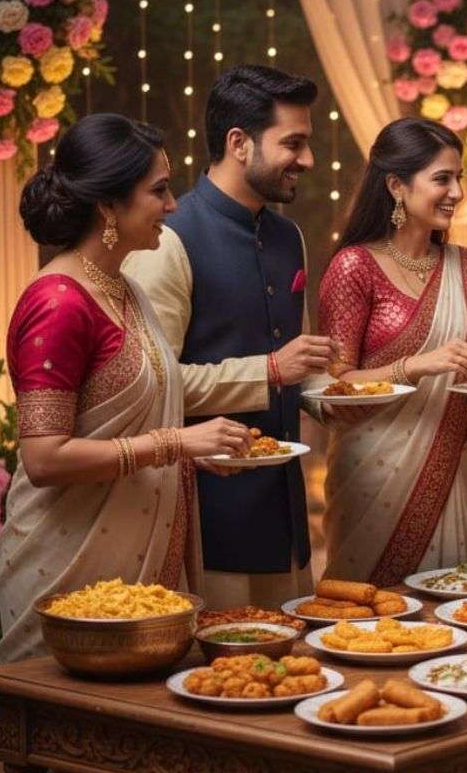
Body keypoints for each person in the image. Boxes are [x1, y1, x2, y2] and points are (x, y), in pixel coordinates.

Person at [0, 114, 252, 662]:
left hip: (137, 567)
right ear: (108, 206)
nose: (173, 205)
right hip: (67, 568)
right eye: (158, 190)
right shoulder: (58, 302)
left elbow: (130, 417)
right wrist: (175, 443)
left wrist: (192, 452)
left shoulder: (126, 289)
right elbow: (44, 458)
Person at [123, 66, 335, 609]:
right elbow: (151, 387)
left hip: (288, 519)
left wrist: (335, 399)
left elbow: (299, 366)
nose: (308, 160)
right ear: (239, 143)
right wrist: (270, 370)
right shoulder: (167, 240)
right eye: (294, 143)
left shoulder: (288, 236)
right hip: (207, 519)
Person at [317, 118, 467, 585]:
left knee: (462, 603)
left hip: (453, 463)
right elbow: (333, 387)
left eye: (459, 178)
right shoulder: (355, 267)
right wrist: (414, 366)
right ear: (397, 185)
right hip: (374, 474)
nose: (457, 192)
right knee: (373, 612)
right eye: (442, 179)